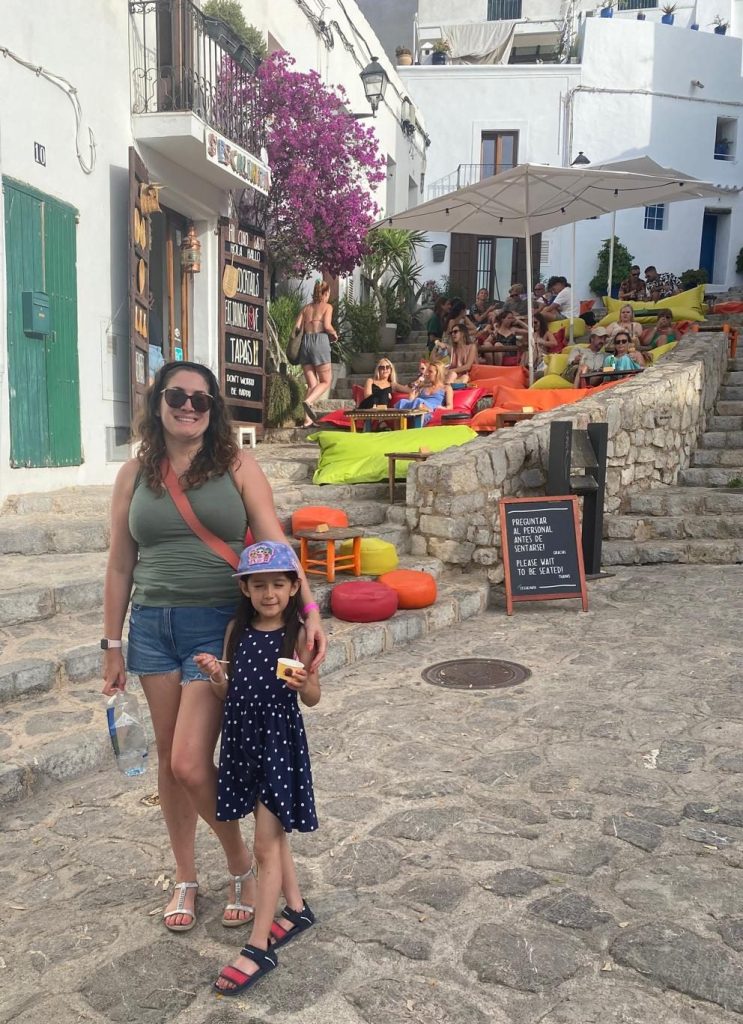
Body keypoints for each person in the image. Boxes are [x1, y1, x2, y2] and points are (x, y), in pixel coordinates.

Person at [101, 360, 326, 935]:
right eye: (177, 395)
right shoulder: (133, 475)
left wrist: (309, 608)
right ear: (158, 402)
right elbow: (120, 564)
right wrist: (111, 643)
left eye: (201, 400)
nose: (188, 406)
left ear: (213, 409)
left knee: (189, 760)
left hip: (216, 629)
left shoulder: (237, 466)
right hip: (152, 626)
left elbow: (274, 542)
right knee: (170, 766)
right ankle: (184, 874)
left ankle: (240, 863)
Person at [195, 541, 321, 996]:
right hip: (242, 745)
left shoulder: (299, 635)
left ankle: (258, 947)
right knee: (273, 835)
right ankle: (296, 908)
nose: (269, 593)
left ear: (292, 588)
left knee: (266, 844)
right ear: (246, 589)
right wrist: (215, 676)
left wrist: (306, 682)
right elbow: (227, 695)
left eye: (278, 584)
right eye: (259, 585)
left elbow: (312, 698)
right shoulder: (236, 632)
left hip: (279, 748)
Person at [294, 281, 338, 427]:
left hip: (305, 344)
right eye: (328, 294)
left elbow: (296, 328)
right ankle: (309, 402)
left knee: (312, 384)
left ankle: (307, 420)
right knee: (326, 381)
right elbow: (326, 325)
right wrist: (334, 334)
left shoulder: (305, 308)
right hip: (319, 342)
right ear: (325, 294)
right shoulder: (327, 307)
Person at [531, 312, 562, 377]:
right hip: (532, 357)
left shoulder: (546, 333)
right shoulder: (531, 334)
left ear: (541, 322)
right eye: (532, 323)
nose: (534, 325)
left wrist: (542, 342)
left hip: (542, 357)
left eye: (535, 322)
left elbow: (554, 343)